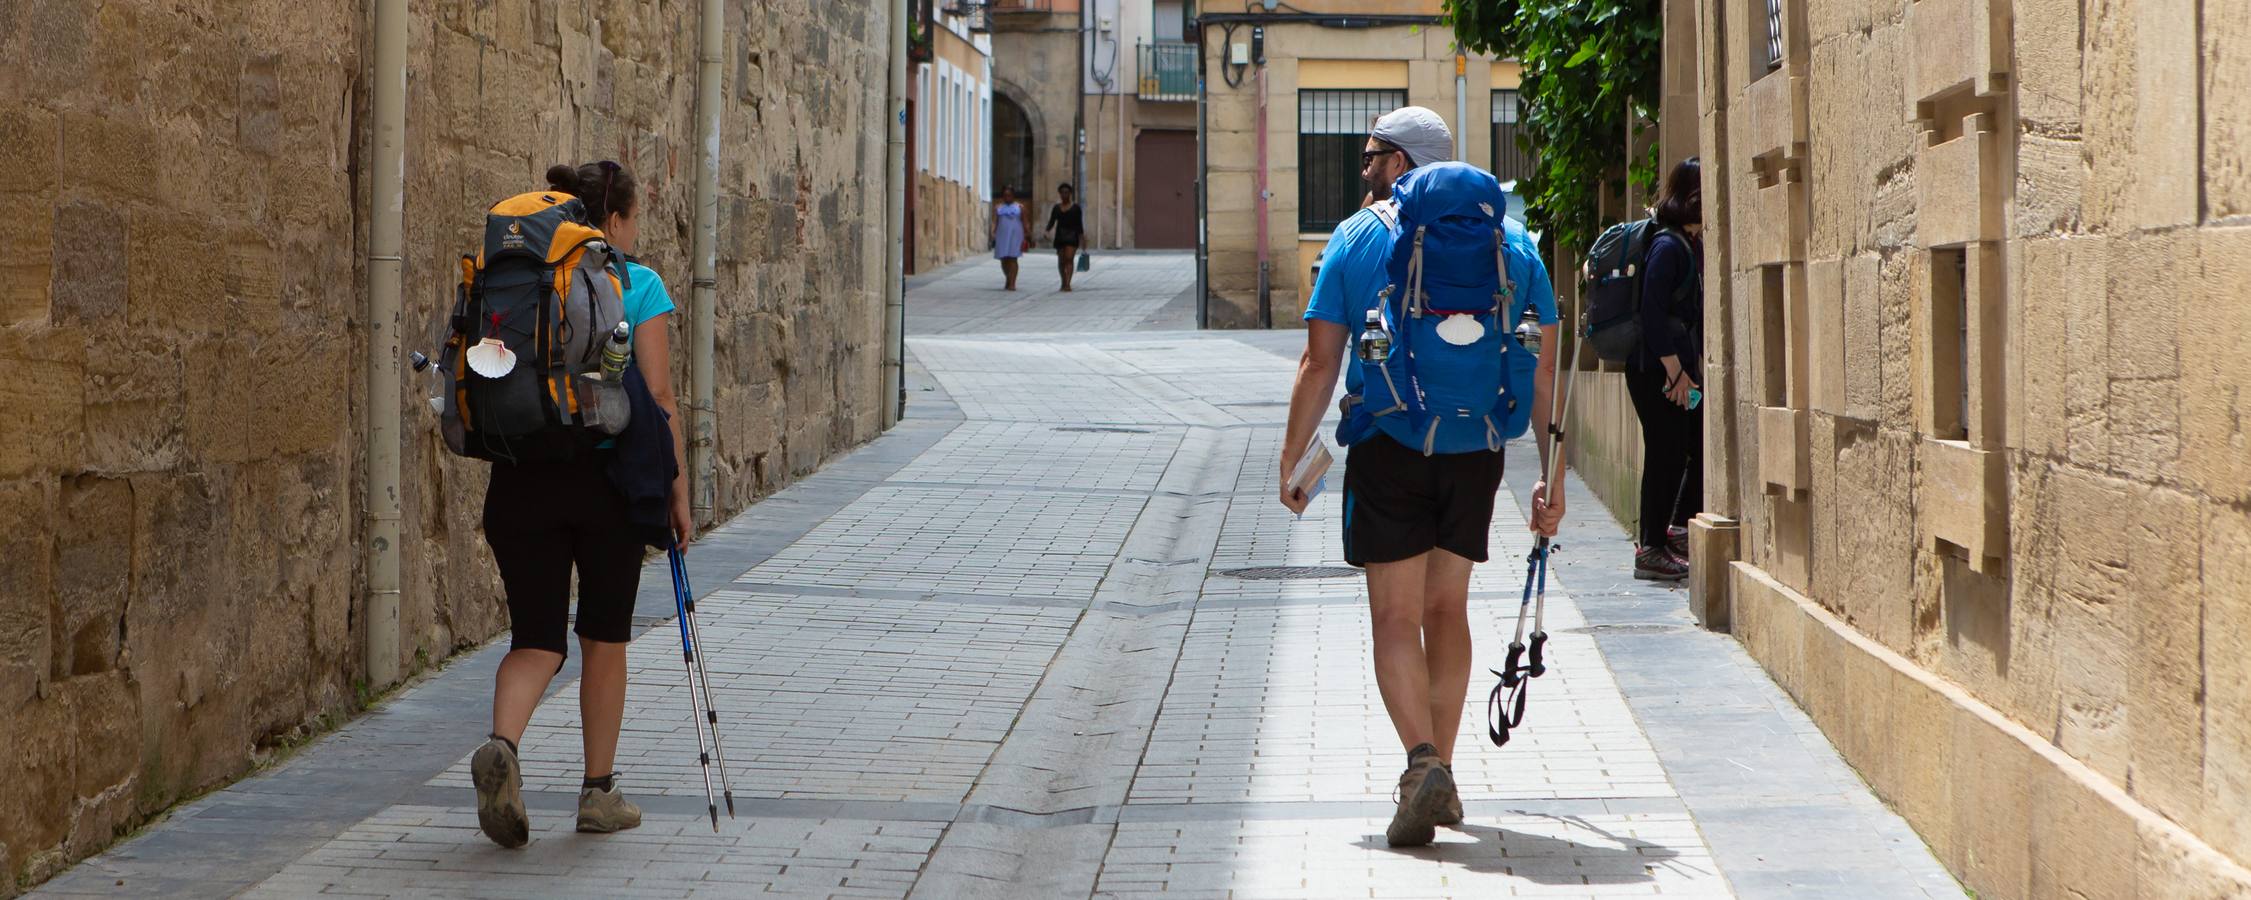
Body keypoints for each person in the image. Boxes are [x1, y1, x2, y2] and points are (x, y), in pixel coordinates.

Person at [1280, 106, 1563, 847]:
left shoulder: (1355, 236)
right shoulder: (1514, 243)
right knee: (1447, 612)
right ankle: (1445, 773)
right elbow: (1542, 375)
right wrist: (1552, 478)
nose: (1364, 166)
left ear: (1400, 162)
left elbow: (1318, 362)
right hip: (1476, 448)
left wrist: (1292, 455)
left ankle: (1420, 764)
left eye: (1373, 154)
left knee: (1393, 618)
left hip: (1389, 443)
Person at [470, 160, 693, 849]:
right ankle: (597, 794)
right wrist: (678, 491)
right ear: (615, 221)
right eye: (632, 222)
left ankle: (503, 746)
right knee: (603, 637)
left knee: (536, 640)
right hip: (608, 485)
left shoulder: (519, 275)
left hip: (518, 479)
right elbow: (656, 400)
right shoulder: (638, 282)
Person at [1625, 158, 1704, 581]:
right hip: (1655, 372)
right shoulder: (1668, 246)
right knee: (1665, 451)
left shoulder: (1688, 244)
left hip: (1677, 374)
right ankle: (1651, 547)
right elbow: (1652, 315)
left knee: (1693, 442)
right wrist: (1675, 374)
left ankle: (1672, 530)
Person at [1045, 183, 1084, 291]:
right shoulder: (1057, 208)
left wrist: (1082, 239)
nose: (1064, 195)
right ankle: (1063, 280)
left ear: (1070, 194)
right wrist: (1047, 231)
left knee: (1069, 259)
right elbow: (1052, 221)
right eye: (1062, 193)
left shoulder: (1076, 208)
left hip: (1072, 236)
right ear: (1060, 194)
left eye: (1066, 192)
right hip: (1060, 236)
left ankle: (1068, 283)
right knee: (1061, 261)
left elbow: (1079, 225)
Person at [992, 186, 1029, 290]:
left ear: (1013, 196)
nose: (1007, 197)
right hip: (1002, 235)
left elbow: (1025, 222)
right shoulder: (998, 208)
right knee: (1003, 259)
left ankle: (1012, 283)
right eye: (1005, 195)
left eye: (1009, 195)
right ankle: (1008, 277)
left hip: (1016, 235)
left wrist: (1027, 234)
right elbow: (995, 221)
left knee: (1013, 258)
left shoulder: (1020, 207)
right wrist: (993, 232)